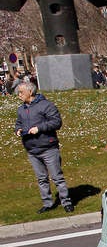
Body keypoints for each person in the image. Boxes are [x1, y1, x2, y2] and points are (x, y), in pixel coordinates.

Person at [15, 81, 73, 213]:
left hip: (48, 148)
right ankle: (47, 203)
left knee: (57, 177)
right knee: (41, 178)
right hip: (32, 150)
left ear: (30, 92)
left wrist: (39, 128)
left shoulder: (46, 105)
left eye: (21, 92)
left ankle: (66, 202)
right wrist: (18, 129)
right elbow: (18, 123)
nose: (19, 95)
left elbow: (56, 122)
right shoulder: (21, 109)